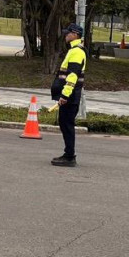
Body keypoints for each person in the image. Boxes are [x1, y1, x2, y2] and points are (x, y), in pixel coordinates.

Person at [50, 23, 87, 167]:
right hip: (70, 95)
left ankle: (70, 156)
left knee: (67, 125)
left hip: (70, 96)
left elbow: (72, 76)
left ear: (75, 35)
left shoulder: (77, 52)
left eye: (68, 33)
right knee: (65, 124)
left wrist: (65, 96)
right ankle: (68, 154)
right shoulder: (74, 50)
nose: (66, 35)